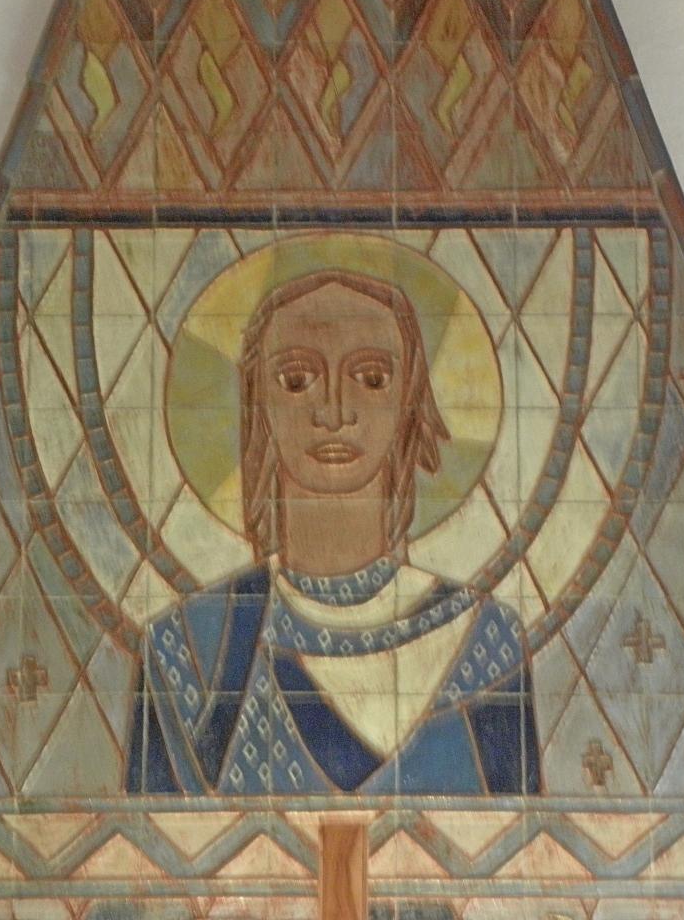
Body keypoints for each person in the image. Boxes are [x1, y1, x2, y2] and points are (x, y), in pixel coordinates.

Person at [126, 271, 538, 795]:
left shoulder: (484, 641)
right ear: (258, 403)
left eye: (372, 379)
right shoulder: (189, 651)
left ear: (410, 400)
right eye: (297, 381)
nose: (334, 412)